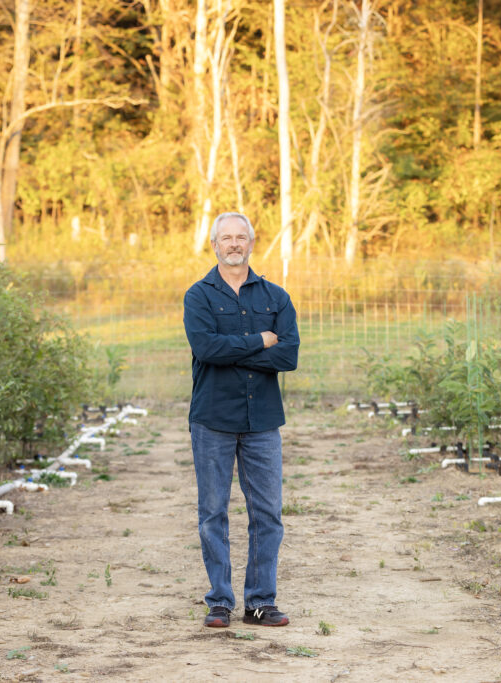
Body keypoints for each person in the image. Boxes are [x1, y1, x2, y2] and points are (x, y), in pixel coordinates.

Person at [183, 211, 299, 628]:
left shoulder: (276, 296)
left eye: (241, 237)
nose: (234, 244)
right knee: (213, 512)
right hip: (213, 418)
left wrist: (232, 347)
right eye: (226, 238)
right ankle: (219, 600)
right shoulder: (199, 296)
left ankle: (259, 603)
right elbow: (206, 348)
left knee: (267, 514)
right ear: (214, 244)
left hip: (263, 421)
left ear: (252, 242)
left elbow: (288, 355)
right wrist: (258, 341)